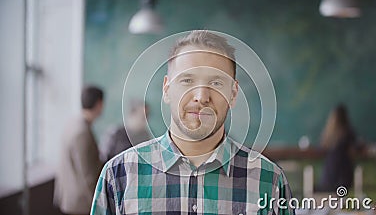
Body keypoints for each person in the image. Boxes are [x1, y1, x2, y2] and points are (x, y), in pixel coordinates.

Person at [91, 31, 294, 214]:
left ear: (233, 94)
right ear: (167, 89)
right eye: (187, 80)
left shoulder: (270, 181)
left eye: (216, 83)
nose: (201, 96)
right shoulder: (118, 176)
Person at [54, 85, 104, 215]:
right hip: (80, 204)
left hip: (69, 199)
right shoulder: (82, 132)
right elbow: (88, 175)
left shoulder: (72, 124)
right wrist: (99, 204)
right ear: (99, 104)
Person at [317, 104, 356, 192]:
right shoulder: (348, 133)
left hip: (329, 174)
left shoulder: (328, 134)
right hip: (343, 174)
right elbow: (353, 150)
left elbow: (321, 147)